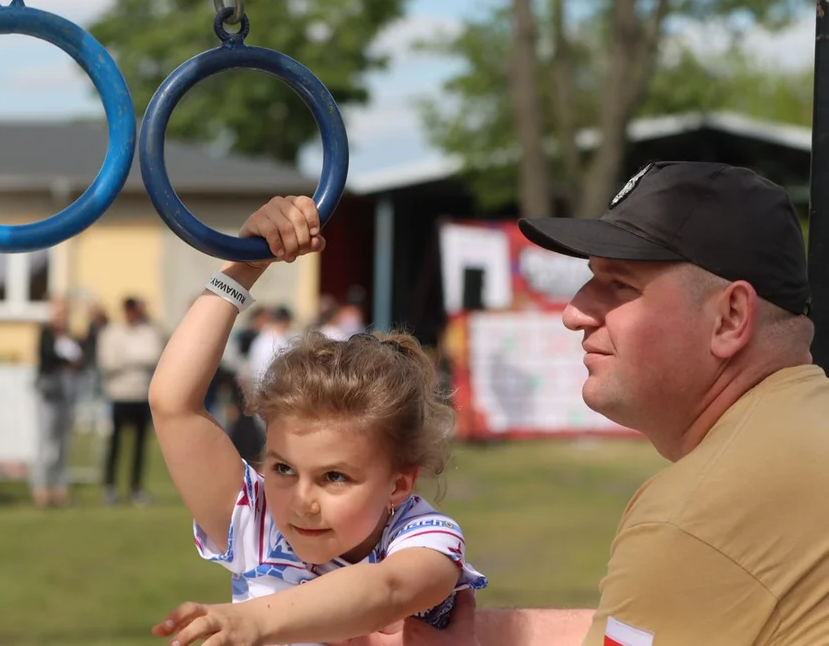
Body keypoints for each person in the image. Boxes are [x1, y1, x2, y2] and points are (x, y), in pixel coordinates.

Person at [355, 161, 829, 645]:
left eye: (621, 284)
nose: (574, 312)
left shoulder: (701, 513)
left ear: (730, 318)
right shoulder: (804, 425)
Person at [147, 196, 488, 646]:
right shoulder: (259, 518)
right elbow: (173, 403)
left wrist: (252, 621)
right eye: (284, 468)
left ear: (399, 485)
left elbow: (384, 591)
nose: (302, 500)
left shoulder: (422, 536)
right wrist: (245, 265)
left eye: (334, 476)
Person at [99, 296, 164, 505]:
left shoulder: (149, 331)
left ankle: (136, 488)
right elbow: (108, 362)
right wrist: (136, 360)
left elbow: (155, 355)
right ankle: (110, 487)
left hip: (141, 394)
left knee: (140, 445)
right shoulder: (112, 332)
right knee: (116, 444)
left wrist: (127, 359)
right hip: (119, 394)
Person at [31, 297, 83, 508]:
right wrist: (66, 362)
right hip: (50, 392)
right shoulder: (46, 334)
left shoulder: (70, 335)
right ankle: (41, 487)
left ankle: (60, 487)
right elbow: (47, 358)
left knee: (63, 442)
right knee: (45, 442)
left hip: (67, 393)